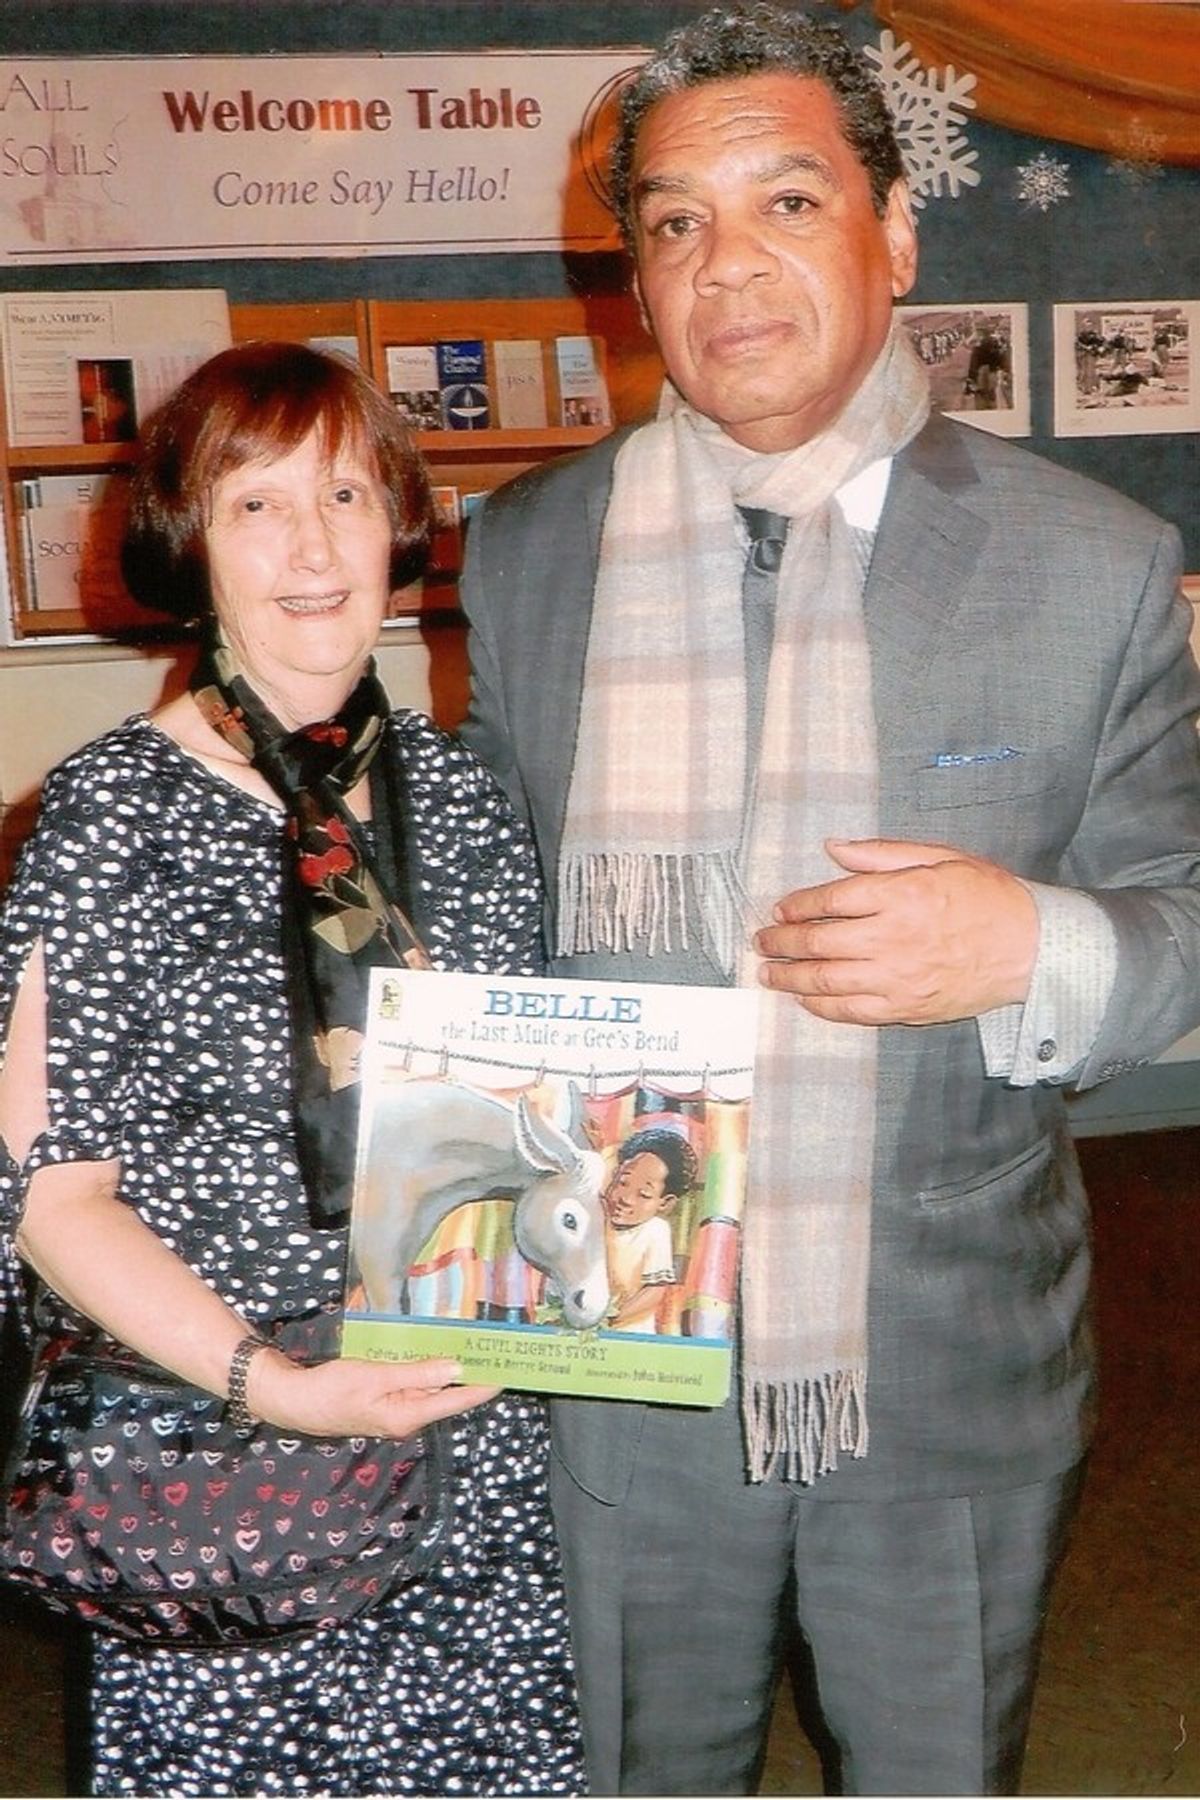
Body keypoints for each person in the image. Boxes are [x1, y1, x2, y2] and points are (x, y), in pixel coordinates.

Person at [458, 4, 1200, 1794]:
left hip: (942, 1356)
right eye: (677, 221)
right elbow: (481, 910)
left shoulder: (1095, 565)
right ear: (639, 279)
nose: (727, 263)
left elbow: (1182, 926)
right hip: (618, 1337)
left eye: (787, 200)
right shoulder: (526, 553)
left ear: (897, 236)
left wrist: (1029, 944)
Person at [0, 341, 585, 1797]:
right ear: (191, 546)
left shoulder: (465, 795)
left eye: (344, 494)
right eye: (255, 505)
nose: (312, 548)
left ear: (400, 522)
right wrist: (280, 1387)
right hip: (228, 1467)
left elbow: (536, 1118)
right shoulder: (110, 817)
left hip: (477, 1456)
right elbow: (54, 1202)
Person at [602, 1128, 697, 1332]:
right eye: (623, 1183)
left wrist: (610, 1318)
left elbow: (654, 1291)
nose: (626, 1199)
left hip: (627, 1331)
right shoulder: (596, 1217)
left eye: (644, 1194)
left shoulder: (655, 1231)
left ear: (665, 1203)